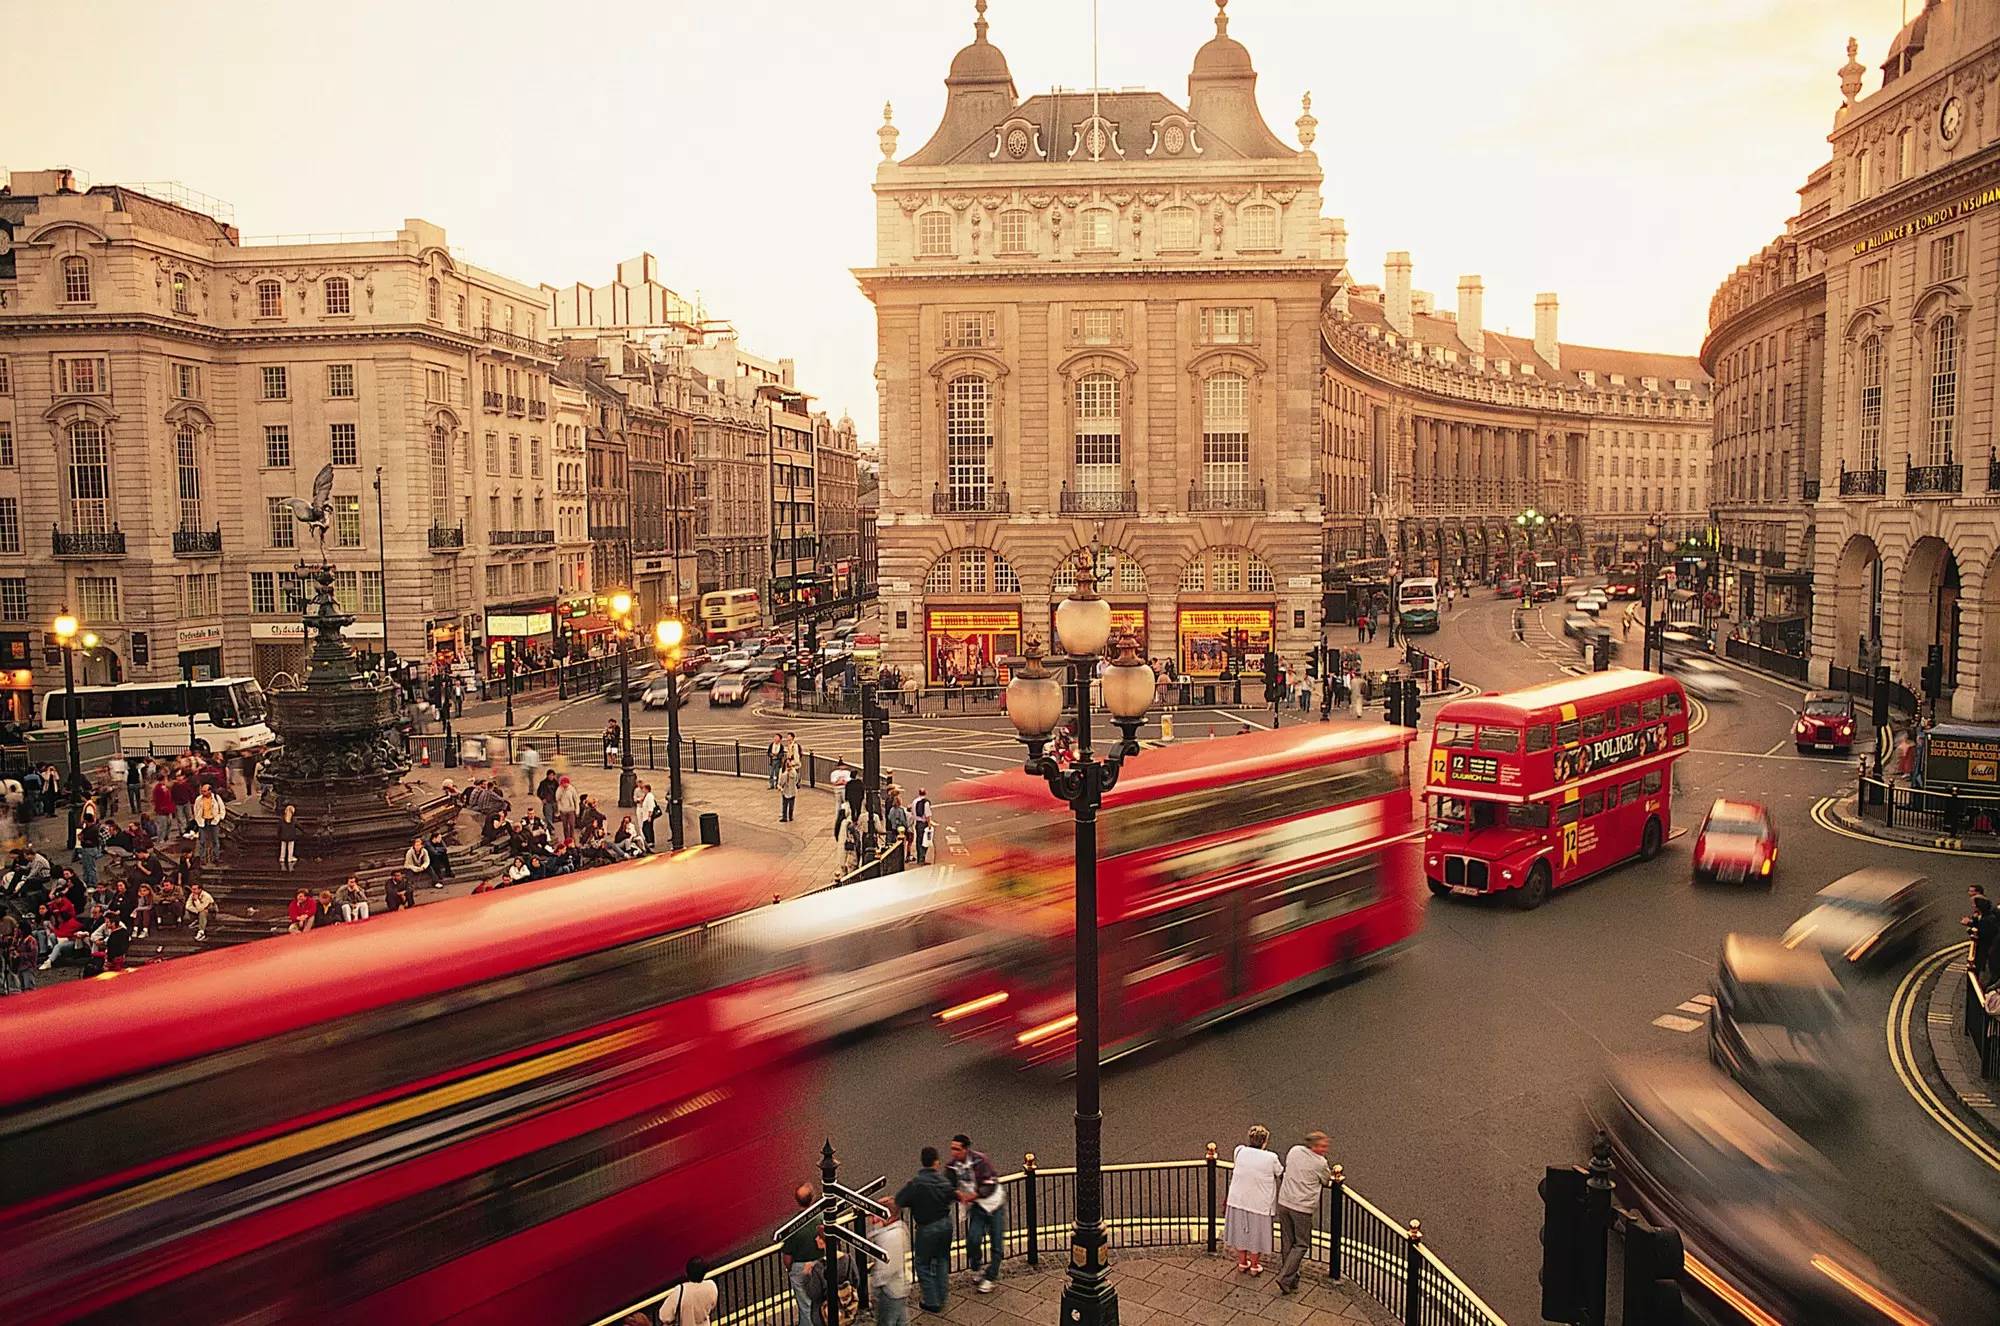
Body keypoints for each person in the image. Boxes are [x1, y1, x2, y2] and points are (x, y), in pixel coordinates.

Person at [896, 1148, 955, 1313]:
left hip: (927, 1228)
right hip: (946, 1224)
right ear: (936, 1162)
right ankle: (942, 1296)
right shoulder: (943, 1181)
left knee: (922, 1264)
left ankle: (931, 1300)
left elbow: (900, 1200)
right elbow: (952, 1195)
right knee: (942, 1259)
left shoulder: (915, 1184)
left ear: (923, 1162)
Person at [1273, 1130, 1332, 1294]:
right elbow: (1326, 1180)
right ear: (1313, 1146)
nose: (1325, 1149)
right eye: (1322, 1146)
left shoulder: (1294, 1150)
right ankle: (1285, 1277)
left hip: (1284, 1201)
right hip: (1302, 1207)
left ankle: (1292, 1279)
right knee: (1301, 1244)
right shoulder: (1320, 1162)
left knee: (1287, 1241)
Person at [948, 1133, 1004, 1294]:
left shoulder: (981, 1161)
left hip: (994, 1205)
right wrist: (956, 1194)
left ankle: (991, 1277)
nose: (953, 1152)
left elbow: (989, 1184)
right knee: (973, 1239)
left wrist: (973, 1195)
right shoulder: (952, 1166)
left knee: (997, 1244)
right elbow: (948, 1186)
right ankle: (976, 1267)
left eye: (956, 1149)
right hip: (978, 1207)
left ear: (965, 1149)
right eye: (952, 1149)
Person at [1226, 1125, 1284, 1274]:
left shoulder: (1239, 1151)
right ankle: (1254, 1265)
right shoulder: (1271, 1157)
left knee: (1241, 1232)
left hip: (1238, 1199)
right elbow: (1280, 1172)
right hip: (1260, 1203)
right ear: (1264, 1141)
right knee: (1256, 1235)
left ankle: (1242, 1262)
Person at [780, 1183, 822, 1326]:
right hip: (820, 1264)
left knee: (806, 1306)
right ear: (813, 1198)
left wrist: (790, 1269)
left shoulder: (793, 1225)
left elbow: (787, 1256)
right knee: (822, 1299)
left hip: (799, 1267)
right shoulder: (822, 1217)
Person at [870, 1203, 911, 1326]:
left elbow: (888, 1269)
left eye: (877, 1214)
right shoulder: (895, 1230)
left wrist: (876, 1284)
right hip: (898, 1288)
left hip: (890, 1291)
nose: (873, 1218)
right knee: (901, 1321)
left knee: (887, 1322)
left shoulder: (891, 1237)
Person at [664, 1257, 719, 1326]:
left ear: (687, 1273)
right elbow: (712, 1305)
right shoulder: (711, 1286)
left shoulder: (680, 1290)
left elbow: (664, 1316)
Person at [191, 784, 226, 866]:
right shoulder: (199, 799)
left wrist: (220, 817)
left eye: (204, 791)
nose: (202, 792)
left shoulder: (216, 798)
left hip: (213, 821)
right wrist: (197, 818)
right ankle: (202, 859)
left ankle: (216, 858)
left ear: (210, 791)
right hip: (203, 821)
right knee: (202, 841)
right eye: (202, 791)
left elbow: (222, 807)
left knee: (215, 841)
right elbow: (196, 809)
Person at [556, 775, 581, 841]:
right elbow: (557, 799)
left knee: (572, 825)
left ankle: (572, 839)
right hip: (563, 810)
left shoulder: (572, 789)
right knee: (565, 826)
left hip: (571, 810)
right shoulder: (559, 789)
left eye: (565, 784)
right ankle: (566, 839)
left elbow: (576, 800)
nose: (564, 785)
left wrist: (577, 810)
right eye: (563, 784)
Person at [636, 781, 659, 852]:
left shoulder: (650, 796)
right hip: (645, 815)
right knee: (646, 828)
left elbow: (650, 807)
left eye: (644, 789)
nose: (643, 790)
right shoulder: (646, 796)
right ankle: (649, 841)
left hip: (648, 816)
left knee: (647, 828)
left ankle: (650, 841)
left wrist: (649, 816)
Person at [277, 802, 301, 872]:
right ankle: (290, 858)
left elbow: (279, 828)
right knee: (290, 848)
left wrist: (278, 834)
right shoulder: (294, 820)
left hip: (283, 836)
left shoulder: (281, 819)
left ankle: (282, 858)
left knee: (283, 847)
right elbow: (299, 827)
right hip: (291, 836)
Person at [912, 788, 933, 865]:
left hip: (917, 823)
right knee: (925, 841)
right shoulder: (926, 802)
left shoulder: (914, 802)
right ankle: (922, 858)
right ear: (925, 793)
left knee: (918, 840)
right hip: (924, 823)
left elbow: (913, 813)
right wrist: (929, 824)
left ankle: (919, 858)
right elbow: (927, 815)